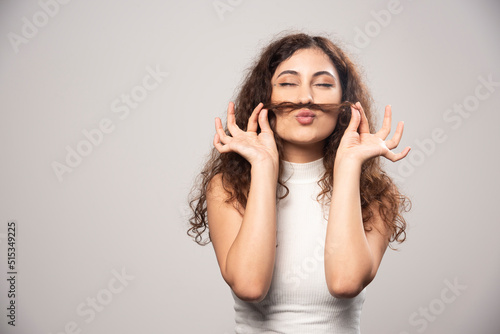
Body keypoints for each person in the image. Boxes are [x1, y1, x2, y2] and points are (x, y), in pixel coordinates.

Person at [187, 32, 412, 333]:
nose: (306, 97)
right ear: (264, 99)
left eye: (323, 84)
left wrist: (348, 168)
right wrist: (264, 166)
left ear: (346, 103)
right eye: (288, 82)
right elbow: (249, 285)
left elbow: (345, 282)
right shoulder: (228, 188)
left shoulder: (377, 195)